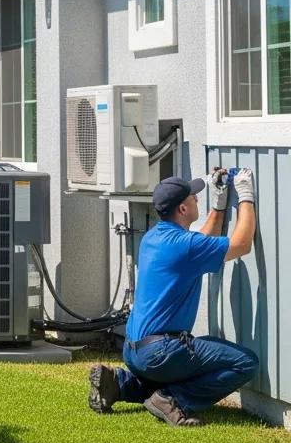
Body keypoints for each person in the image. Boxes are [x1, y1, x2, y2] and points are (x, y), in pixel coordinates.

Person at [87, 168, 259, 427]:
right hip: (161, 352)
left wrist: (219, 204)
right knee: (245, 362)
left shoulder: (154, 237)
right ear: (182, 209)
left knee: (195, 355)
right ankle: (175, 400)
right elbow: (242, 244)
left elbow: (201, 241)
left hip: (134, 351)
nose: (196, 199)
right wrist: (246, 194)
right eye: (193, 197)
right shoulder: (186, 246)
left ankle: (121, 385)